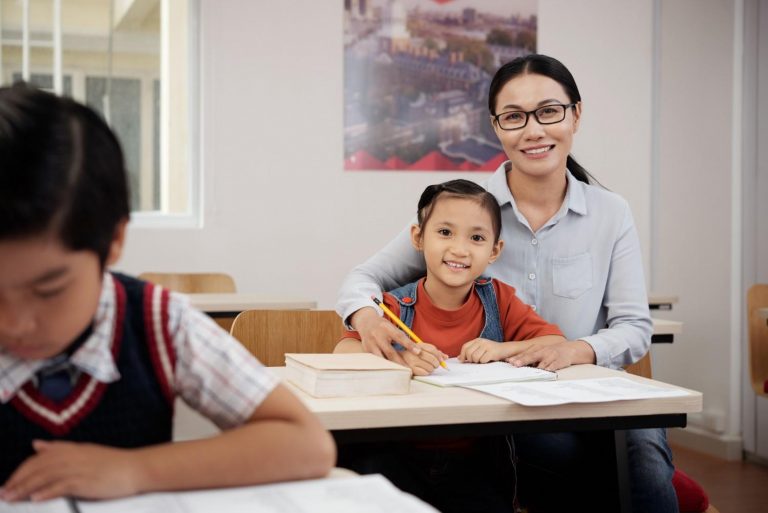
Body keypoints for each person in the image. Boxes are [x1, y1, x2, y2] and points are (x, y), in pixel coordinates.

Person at [336, 54, 677, 513]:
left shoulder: (611, 213)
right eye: (514, 117)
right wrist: (369, 319)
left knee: (643, 454)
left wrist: (574, 350)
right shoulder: (465, 212)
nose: (533, 130)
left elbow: (635, 327)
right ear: (496, 128)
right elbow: (364, 278)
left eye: (549, 111)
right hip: (504, 409)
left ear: (576, 114)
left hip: (589, 397)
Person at [0, 84, 335, 503]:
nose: (12, 322)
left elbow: (306, 444)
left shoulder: (159, 322)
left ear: (114, 239)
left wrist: (135, 469)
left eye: (48, 290)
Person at [335, 178, 565, 513]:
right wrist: (398, 356)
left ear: (494, 251)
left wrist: (500, 349)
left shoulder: (499, 299)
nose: (459, 249)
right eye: (445, 232)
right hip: (397, 454)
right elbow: (342, 353)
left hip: (475, 461)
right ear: (418, 238)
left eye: (476, 238)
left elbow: (554, 341)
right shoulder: (394, 306)